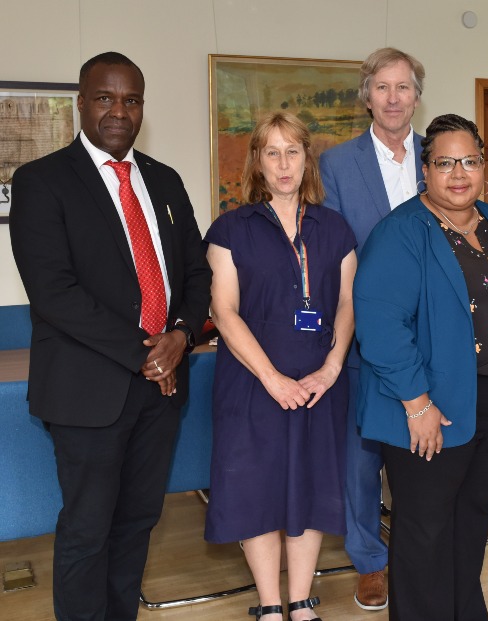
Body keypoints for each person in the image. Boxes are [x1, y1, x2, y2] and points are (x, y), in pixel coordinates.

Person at [8, 52, 211, 620]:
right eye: (105, 98)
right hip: (88, 391)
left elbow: (197, 275)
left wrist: (181, 335)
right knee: (87, 532)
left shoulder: (166, 182)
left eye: (131, 100)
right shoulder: (42, 181)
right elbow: (55, 293)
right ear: (81, 101)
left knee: (138, 524)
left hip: (162, 392)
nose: (118, 111)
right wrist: (148, 353)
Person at [354, 113, 488, 621]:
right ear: (425, 172)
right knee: (425, 528)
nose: (459, 173)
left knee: (472, 518)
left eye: (470, 161)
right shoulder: (402, 231)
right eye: (444, 162)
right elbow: (381, 325)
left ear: (484, 166)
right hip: (431, 408)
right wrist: (417, 405)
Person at [203, 112, 357, 621]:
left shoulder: (335, 228)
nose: (284, 163)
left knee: (310, 486)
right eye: (272, 152)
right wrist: (271, 378)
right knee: (256, 489)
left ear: (307, 158)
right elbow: (223, 312)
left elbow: (347, 305)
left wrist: (333, 368)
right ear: (258, 162)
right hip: (251, 385)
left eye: (293, 151)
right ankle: (270, 605)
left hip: (318, 384)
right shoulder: (230, 228)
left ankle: (302, 600)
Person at [318, 47, 425, 610]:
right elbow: (336, 250)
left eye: (402, 87)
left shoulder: (441, 156)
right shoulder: (337, 164)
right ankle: (368, 559)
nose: (392, 98)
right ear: (367, 96)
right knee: (360, 460)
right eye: (381, 87)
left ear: (416, 95)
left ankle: (414, 553)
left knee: (421, 456)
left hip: (429, 336)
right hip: (360, 333)